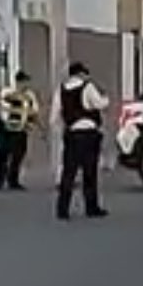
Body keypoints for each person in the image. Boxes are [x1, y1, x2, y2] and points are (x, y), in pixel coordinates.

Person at [53, 61, 110, 220]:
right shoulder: (88, 87)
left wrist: (60, 129)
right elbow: (99, 104)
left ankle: (62, 209)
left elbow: (54, 115)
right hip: (88, 134)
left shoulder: (61, 90)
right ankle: (91, 207)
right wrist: (106, 98)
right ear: (81, 74)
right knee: (90, 172)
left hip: (71, 134)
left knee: (68, 173)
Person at [0, 70, 39, 190]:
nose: (25, 84)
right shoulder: (8, 92)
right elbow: (4, 107)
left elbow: (34, 110)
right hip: (7, 127)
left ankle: (13, 180)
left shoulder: (30, 95)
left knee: (18, 154)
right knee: (4, 153)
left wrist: (30, 123)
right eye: (23, 82)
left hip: (21, 128)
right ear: (18, 81)